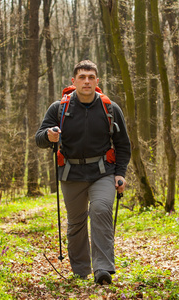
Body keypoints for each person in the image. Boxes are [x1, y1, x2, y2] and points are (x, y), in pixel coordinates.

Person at [35, 60, 131, 284]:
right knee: (76, 222)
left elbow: (123, 145)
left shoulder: (110, 108)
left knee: (100, 209)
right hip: (71, 173)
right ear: (74, 81)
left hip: (102, 172)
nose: (86, 81)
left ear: (97, 81)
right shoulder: (59, 108)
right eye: (82, 77)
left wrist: (120, 173)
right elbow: (39, 138)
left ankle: (103, 269)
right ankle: (80, 270)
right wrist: (49, 135)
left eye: (90, 77)